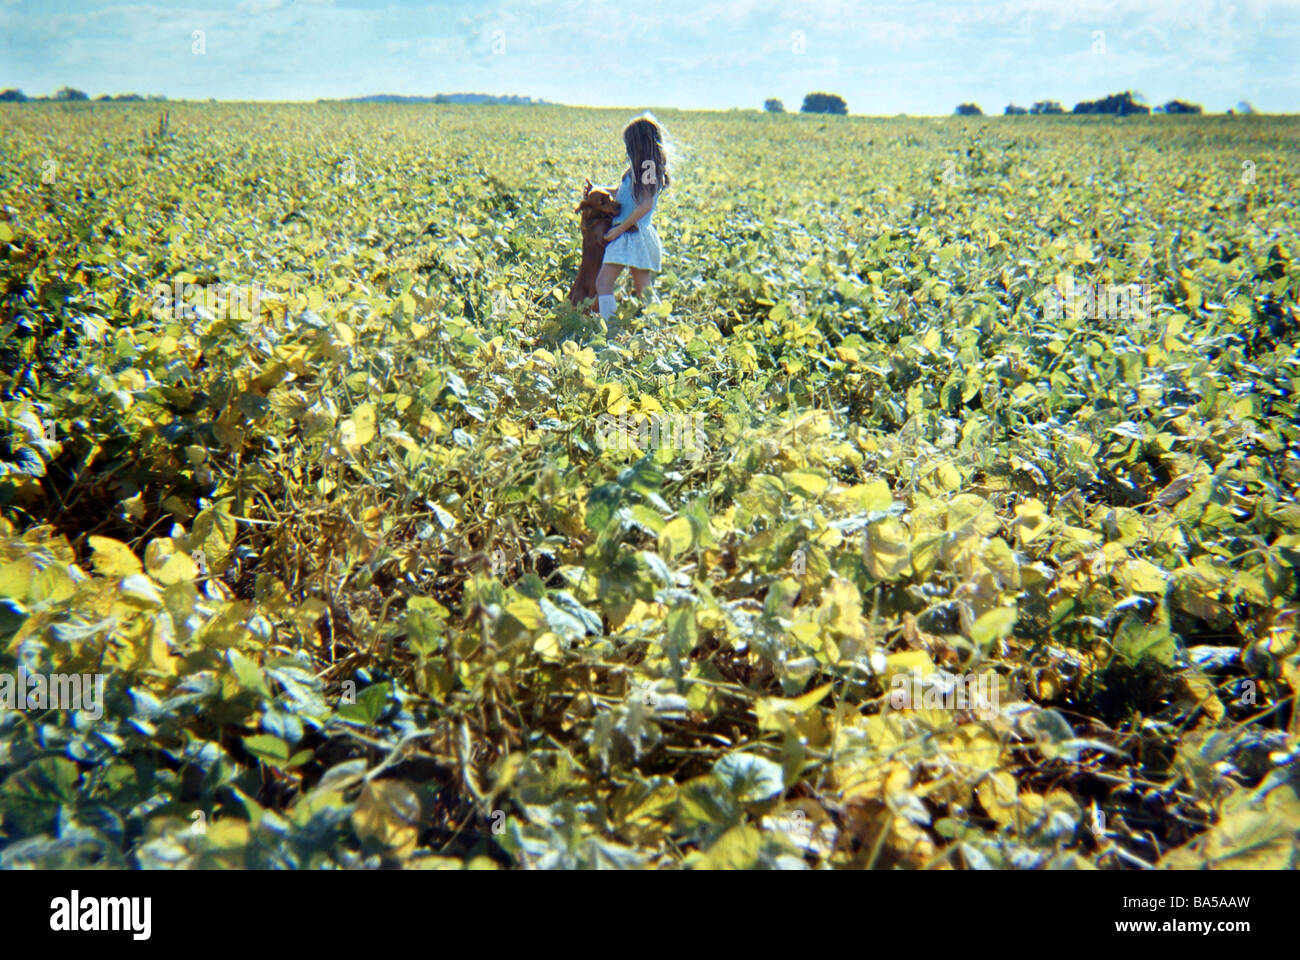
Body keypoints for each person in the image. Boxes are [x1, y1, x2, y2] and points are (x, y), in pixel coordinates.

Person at [592, 113, 670, 320]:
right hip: (631, 234)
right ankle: (658, 326)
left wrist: (619, 229)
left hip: (632, 233)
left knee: (604, 283)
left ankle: (611, 329)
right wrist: (598, 189)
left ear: (638, 144)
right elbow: (622, 193)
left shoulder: (647, 168)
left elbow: (646, 204)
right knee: (643, 288)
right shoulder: (638, 168)